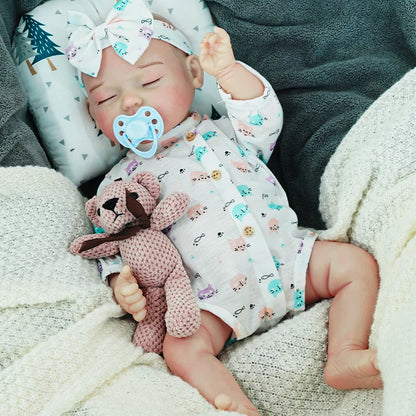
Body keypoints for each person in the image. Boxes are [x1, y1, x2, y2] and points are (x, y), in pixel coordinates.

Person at [66, 1, 382, 414]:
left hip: (292, 261)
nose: (130, 103)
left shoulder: (227, 132)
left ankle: (344, 354)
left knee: (355, 266)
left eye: (151, 80)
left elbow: (264, 118)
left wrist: (229, 73)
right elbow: (119, 238)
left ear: (194, 74)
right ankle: (238, 407)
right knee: (180, 349)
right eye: (107, 98)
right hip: (216, 298)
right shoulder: (120, 181)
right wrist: (119, 285)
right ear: (94, 117)